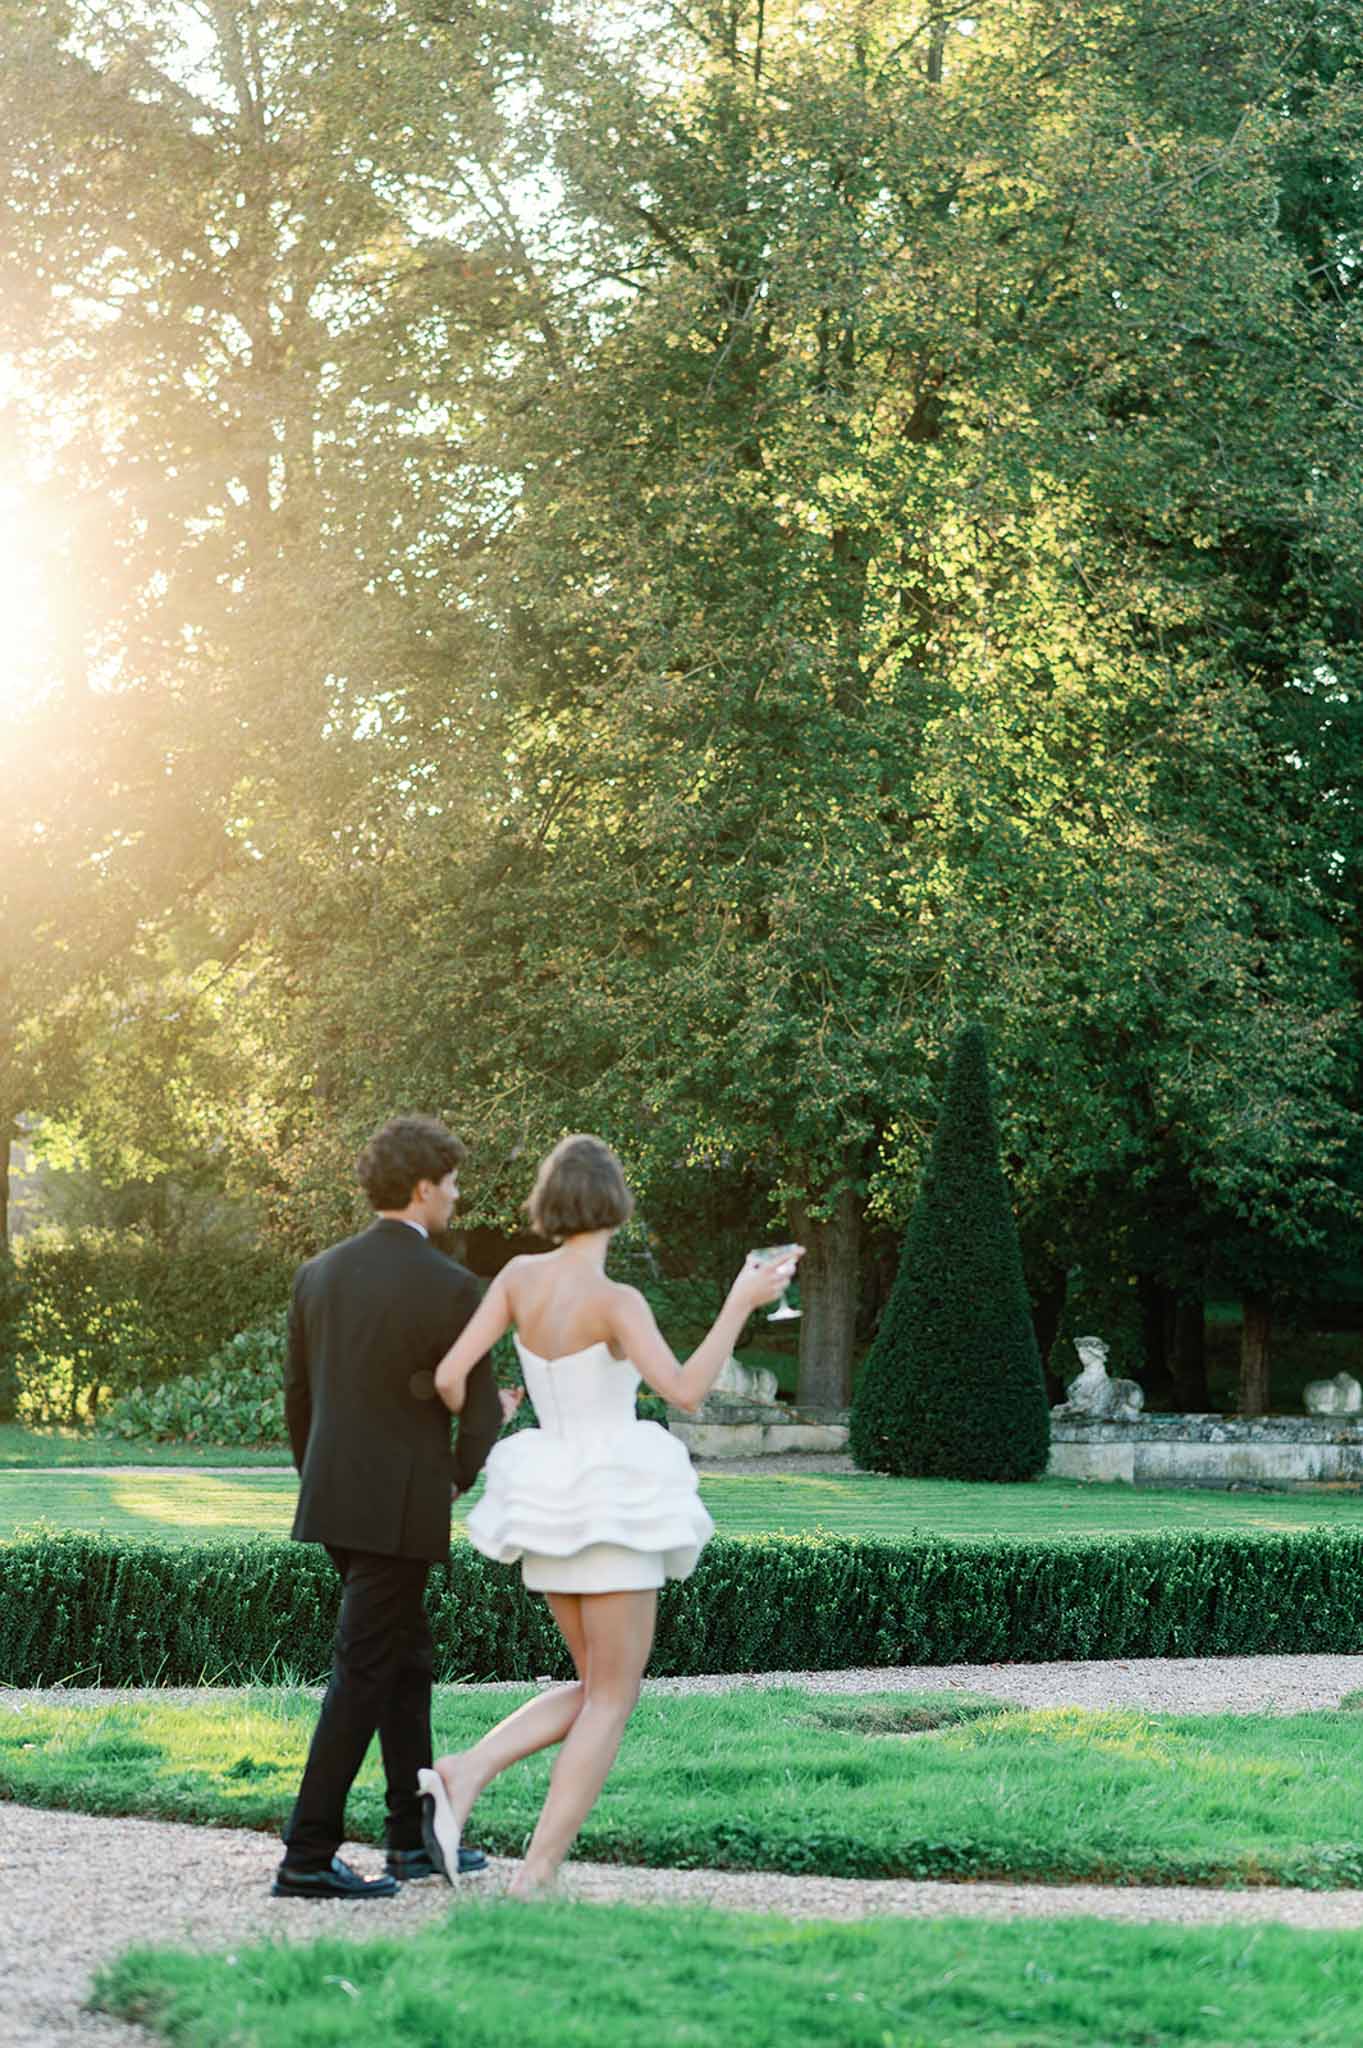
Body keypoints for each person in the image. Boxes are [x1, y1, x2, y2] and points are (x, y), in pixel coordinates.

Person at [423, 1133, 802, 1899]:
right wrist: (738, 1302)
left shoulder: (517, 1279)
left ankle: (464, 1773)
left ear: (549, 1203)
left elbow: (448, 1374)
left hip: (547, 1498)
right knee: (613, 1695)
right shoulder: (615, 1301)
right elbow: (686, 1390)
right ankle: (534, 1875)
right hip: (614, 1503)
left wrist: (478, 1435)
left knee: (597, 1682)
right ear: (616, 1206)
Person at [272, 1114, 511, 1901]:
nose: (456, 1197)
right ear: (421, 1188)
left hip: (333, 1500)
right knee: (366, 1671)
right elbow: (478, 1414)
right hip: (402, 1506)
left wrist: (325, 1480)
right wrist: (455, 1475)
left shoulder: (318, 1274)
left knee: (405, 1663)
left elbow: (299, 1406)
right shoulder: (453, 1288)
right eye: (450, 1184)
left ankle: (410, 1842)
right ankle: (307, 1854)